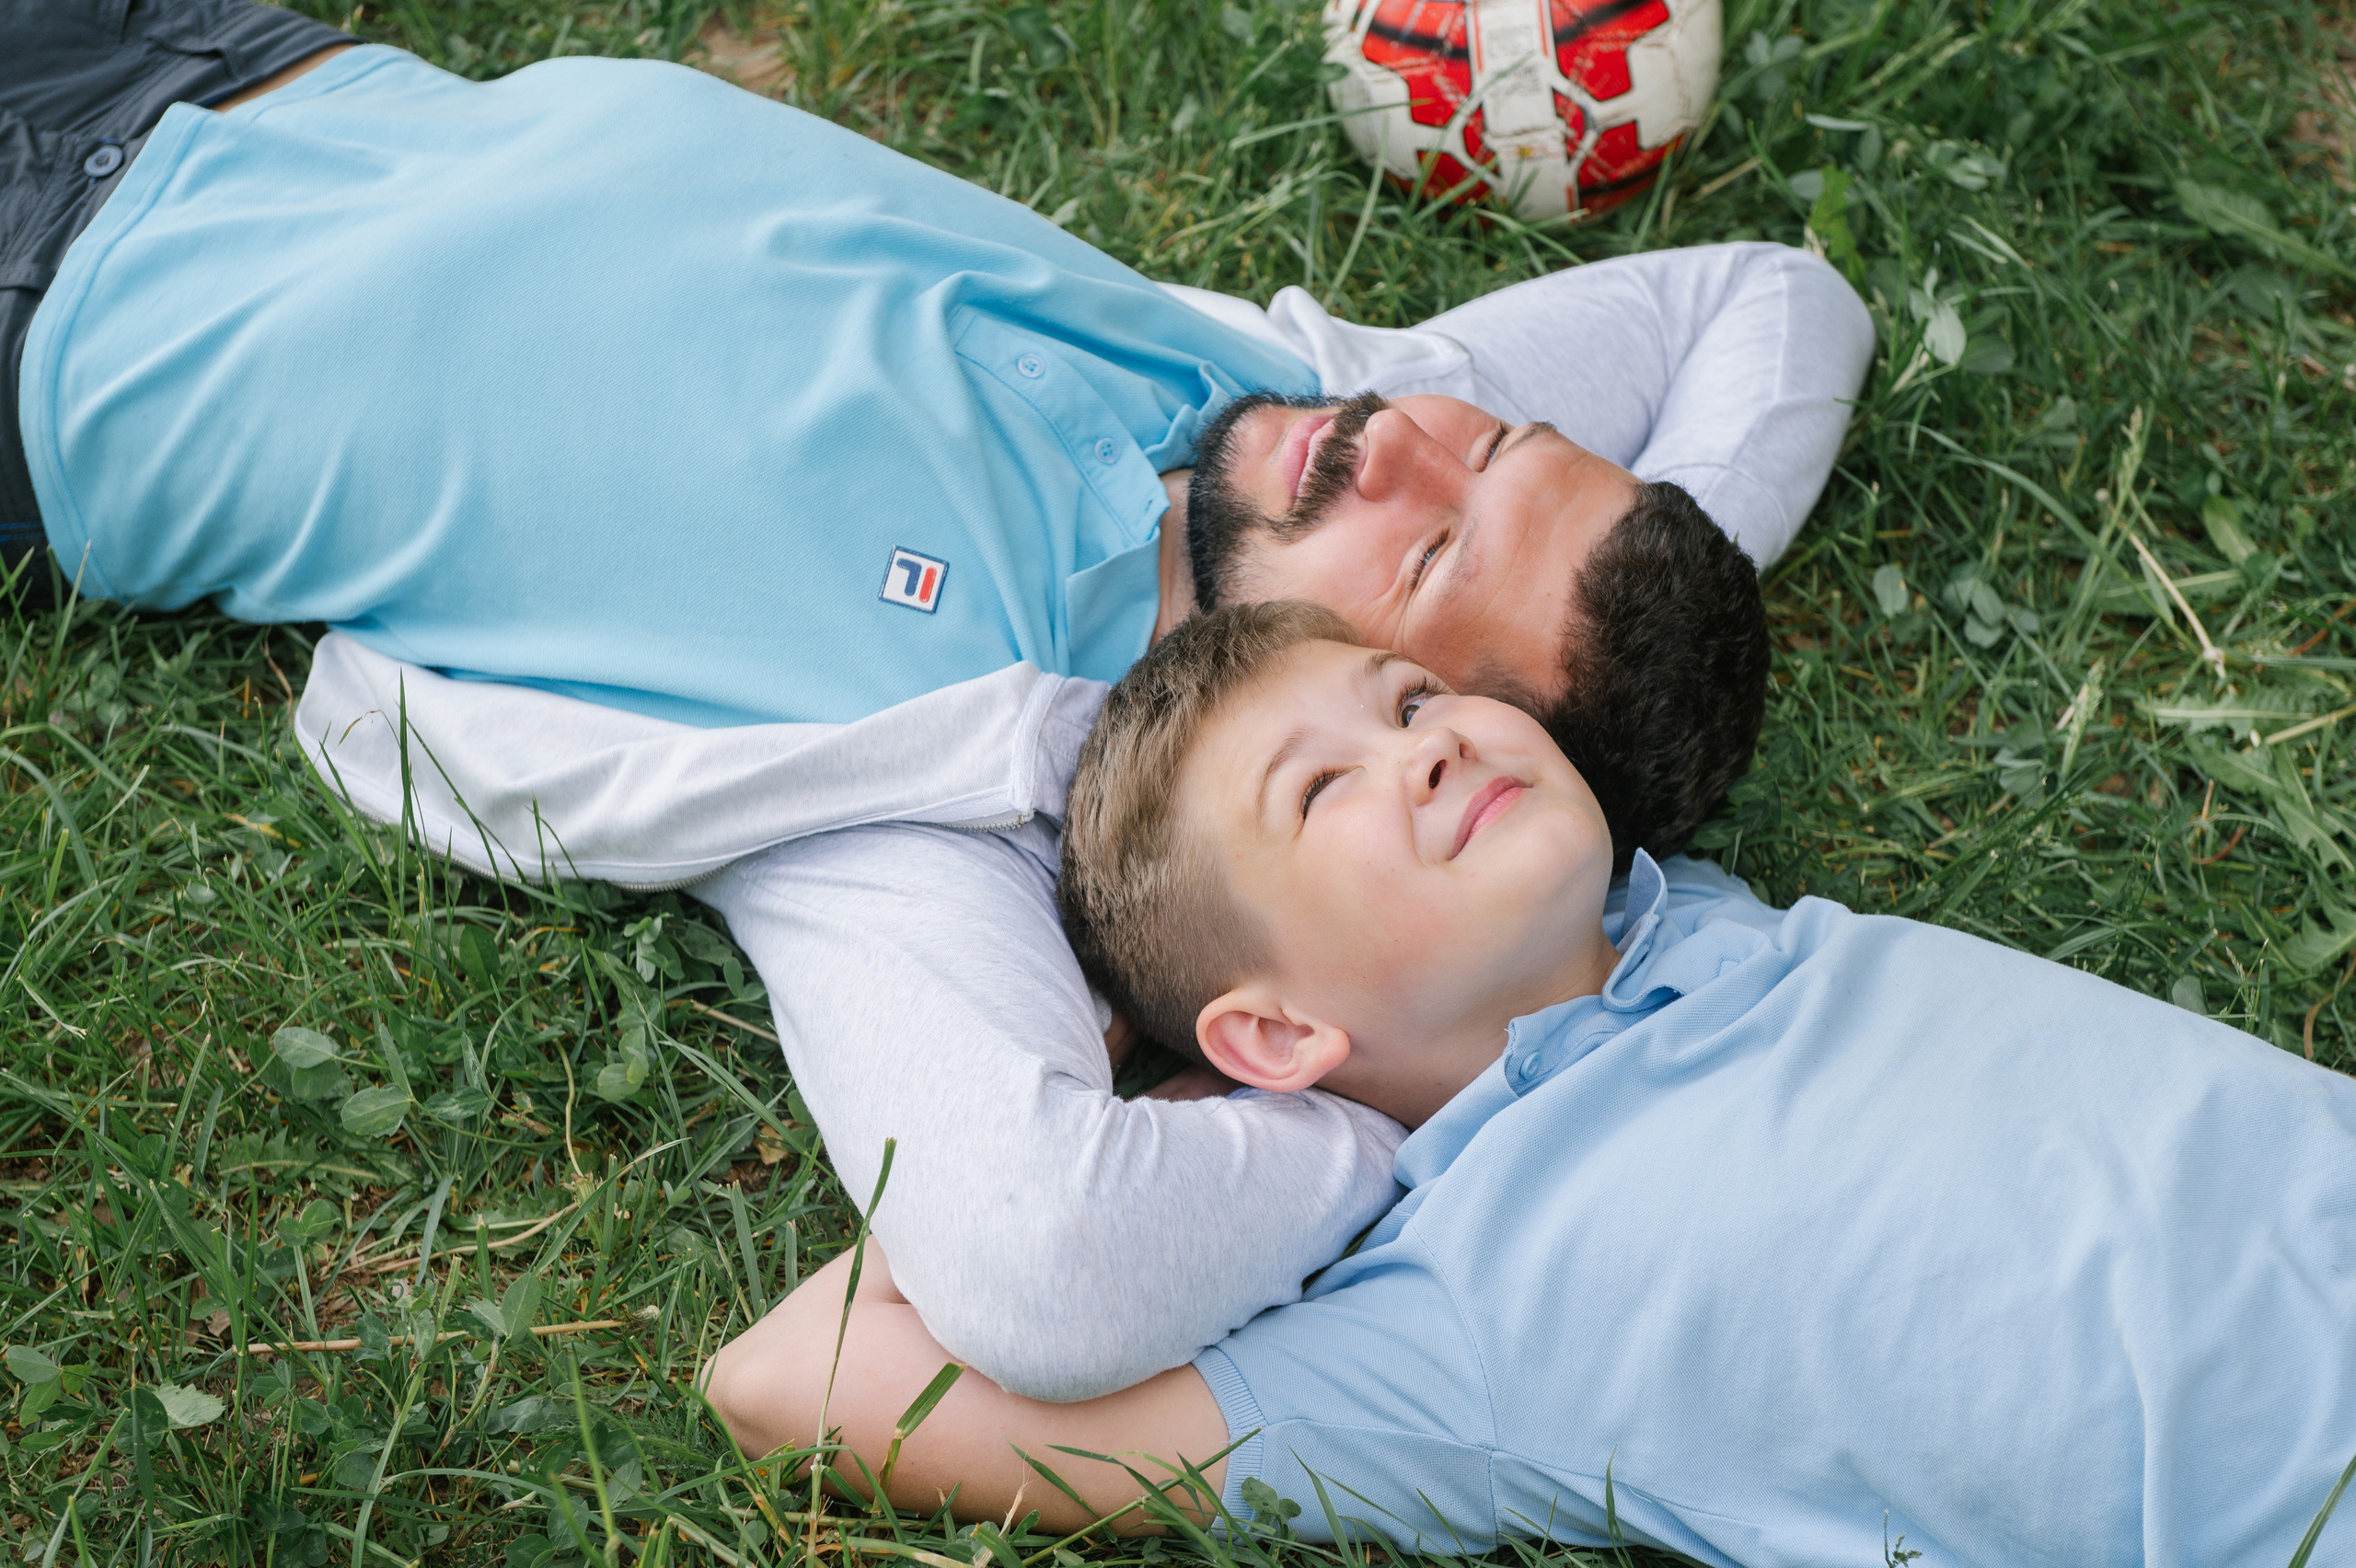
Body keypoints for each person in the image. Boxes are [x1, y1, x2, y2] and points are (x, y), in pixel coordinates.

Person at [6, 0, 1874, 1400]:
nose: (1394, 447)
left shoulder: (929, 793)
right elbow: (1772, 301)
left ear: (1374, 699)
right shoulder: (1305, 407)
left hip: (59, 305)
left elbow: (1041, 1255)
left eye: (1420, 567)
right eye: (1485, 446)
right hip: (251, 57)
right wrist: (1620, 577)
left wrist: (1408, 1058)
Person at [699, 602, 2356, 1568]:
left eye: (1412, 695)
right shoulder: (1447, 1330)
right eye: (1319, 788)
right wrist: (1271, 1136)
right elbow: (792, 1375)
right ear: (1270, 1036)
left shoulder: (1684, 907)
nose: (1427, 740)